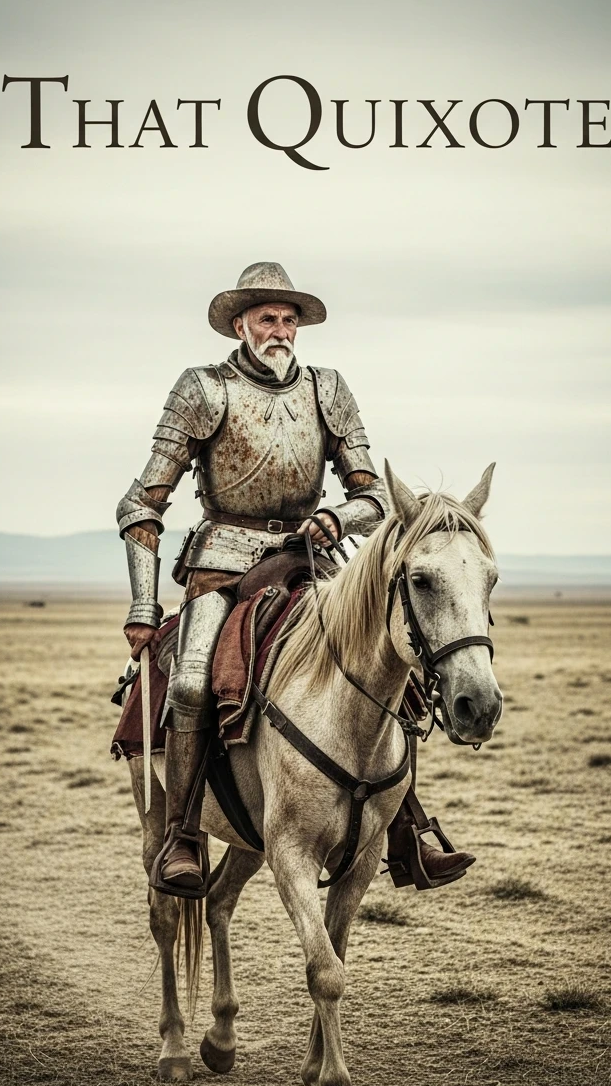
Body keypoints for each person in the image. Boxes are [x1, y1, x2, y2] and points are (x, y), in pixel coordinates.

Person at [117, 261, 471, 897]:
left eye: (289, 320)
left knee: (396, 663)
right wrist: (144, 608)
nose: (279, 329)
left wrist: (338, 515)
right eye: (265, 318)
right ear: (238, 324)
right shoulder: (201, 389)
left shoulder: (328, 390)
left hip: (312, 563)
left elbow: (373, 496)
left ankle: (404, 832)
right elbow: (142, 504)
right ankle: (184, 837)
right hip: (222, 569)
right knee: (194, 677)